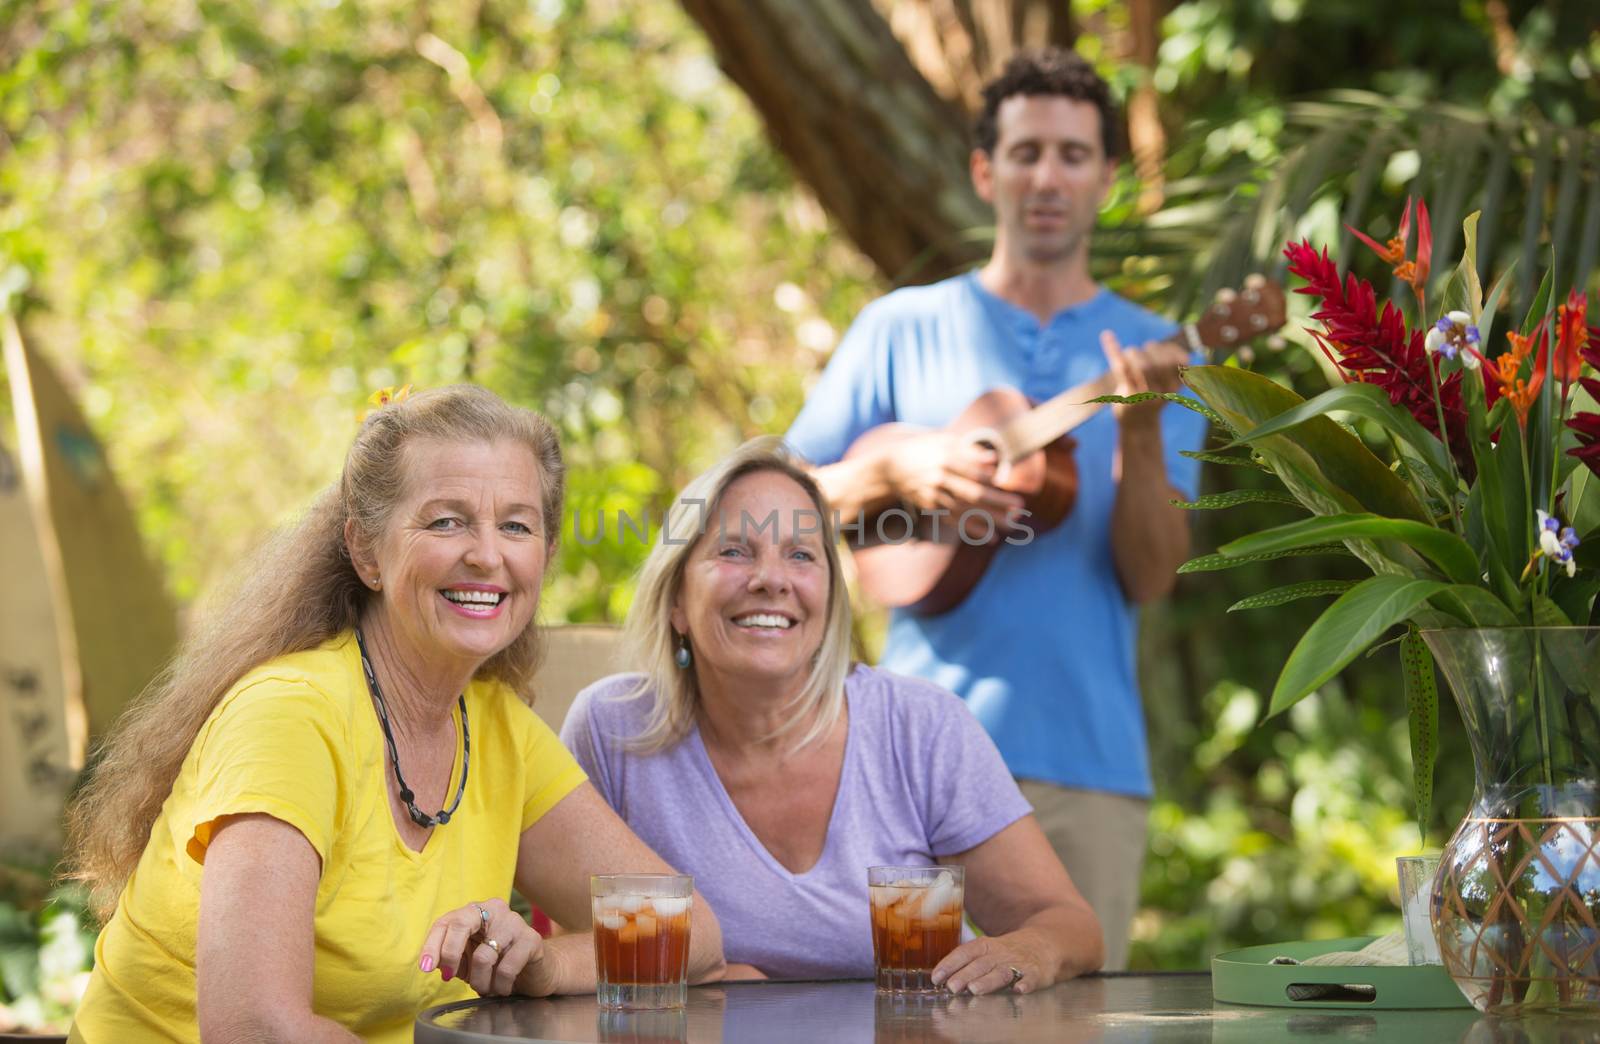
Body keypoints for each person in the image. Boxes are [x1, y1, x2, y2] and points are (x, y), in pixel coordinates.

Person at [65, 385, 724, 1043]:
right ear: (366, 552)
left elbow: (687, 934)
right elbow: (253, 1027)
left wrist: (547, 963)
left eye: (516, 525)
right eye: (446, 521)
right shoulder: (290, 718)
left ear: (544, 555)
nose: (487, 554)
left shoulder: (497, 729)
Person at [783, 48, 1209, 970]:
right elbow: (778, 507)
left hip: (1084, 769)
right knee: (897, 1019)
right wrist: (898, 474)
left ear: (1106, 177)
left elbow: (1155, 576)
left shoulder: (1158, 353)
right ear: (986, 171)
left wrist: (1139, 434)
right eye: (1024, 153)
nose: (1046, 176)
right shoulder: (899, 329)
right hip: (900, 764)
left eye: (1071, 154)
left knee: (1071, 1023)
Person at [560, 438, 1102, 991]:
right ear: (676, 601)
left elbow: (1068, 924)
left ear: (830, 600)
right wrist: (708, 980)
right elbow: (583, 957)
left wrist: (1029, 950)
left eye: (801, 555)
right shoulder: (612, 729)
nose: (772, 579)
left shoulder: (920, 725)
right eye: (733, 551)